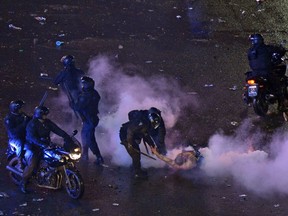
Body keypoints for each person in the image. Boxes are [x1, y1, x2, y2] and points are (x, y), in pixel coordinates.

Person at [21, 106, 73, 193]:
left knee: (58, 156)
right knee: (32, 163)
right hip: (32, 146)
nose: (46, 116)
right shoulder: (32, 124)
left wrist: (66, 136)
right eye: (44, 114)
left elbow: (57, 130)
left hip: (46, 144)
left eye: (46, 114)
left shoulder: (47, 122)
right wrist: (43, 145)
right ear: (40, 115)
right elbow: (32, 138)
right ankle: (23, 182)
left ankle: (54, 177)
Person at [119, 107, 167, 179]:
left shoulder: (148, 123)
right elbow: (130, 131)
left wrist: (152, 146)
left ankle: (134, 167)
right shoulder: (141, 122)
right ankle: (137, 173)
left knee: (135, 153)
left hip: (134, 135)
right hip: (126, 136)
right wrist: (129, 144)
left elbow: (146, 136)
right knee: (135, 154)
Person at [247, 33, 287, 111]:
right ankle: (282, 103)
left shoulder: (250, 51)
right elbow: (277, 50)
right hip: (266, 72)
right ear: (261, 40)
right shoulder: (266, 48)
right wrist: (282, 50)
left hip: (254, 73)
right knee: (277, 84)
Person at [73, 76, 104, 165]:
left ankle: (98, 157)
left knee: (89, 139)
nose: (83, 85)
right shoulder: (93, 93)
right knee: (84, 136)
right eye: (83, 83)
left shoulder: (87, 95)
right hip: (89, 119)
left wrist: (73, 104)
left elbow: (78, 106)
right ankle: (85, 155)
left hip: (89, 119)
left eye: (85, 84)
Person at [4, 100, 31, 166]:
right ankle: (20, 161)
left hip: (24, 135)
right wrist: (23, 124)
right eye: (20, 108)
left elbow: (28, 119)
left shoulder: (22, 115)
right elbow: (12, 132)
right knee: (20, 143)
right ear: (15, 109)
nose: (21, 109)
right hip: (14, 138)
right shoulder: (9, 119)